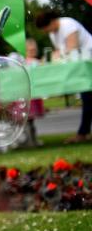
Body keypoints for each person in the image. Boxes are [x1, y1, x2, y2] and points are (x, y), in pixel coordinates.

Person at [35, 9, 92, 143]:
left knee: (88, 98)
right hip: (82, 66)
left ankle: (82, 133)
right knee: (88, 98)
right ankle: (83, 132)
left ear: (53, 21)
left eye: (46, 28)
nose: (46, 32)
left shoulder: (68, 24)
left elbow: (71, 49)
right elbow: (60, 52)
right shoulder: (53, 33)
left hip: (88, 61)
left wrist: (52, 58)